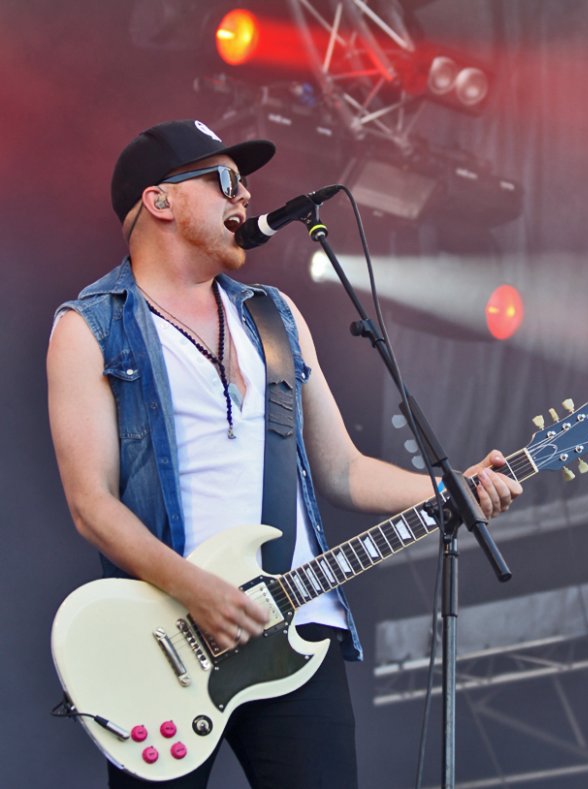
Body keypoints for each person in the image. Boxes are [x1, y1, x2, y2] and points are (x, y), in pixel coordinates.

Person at [47, 119, 522, 788]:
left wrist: (452, 490)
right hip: (164, 647)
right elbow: (91, 504)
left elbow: (343, 469)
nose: (244, 197)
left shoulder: (275, 317)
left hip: (298, 634)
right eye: (225, 181)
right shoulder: (89, 328)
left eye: (244, 183)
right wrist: (196, 590)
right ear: (160, 201)